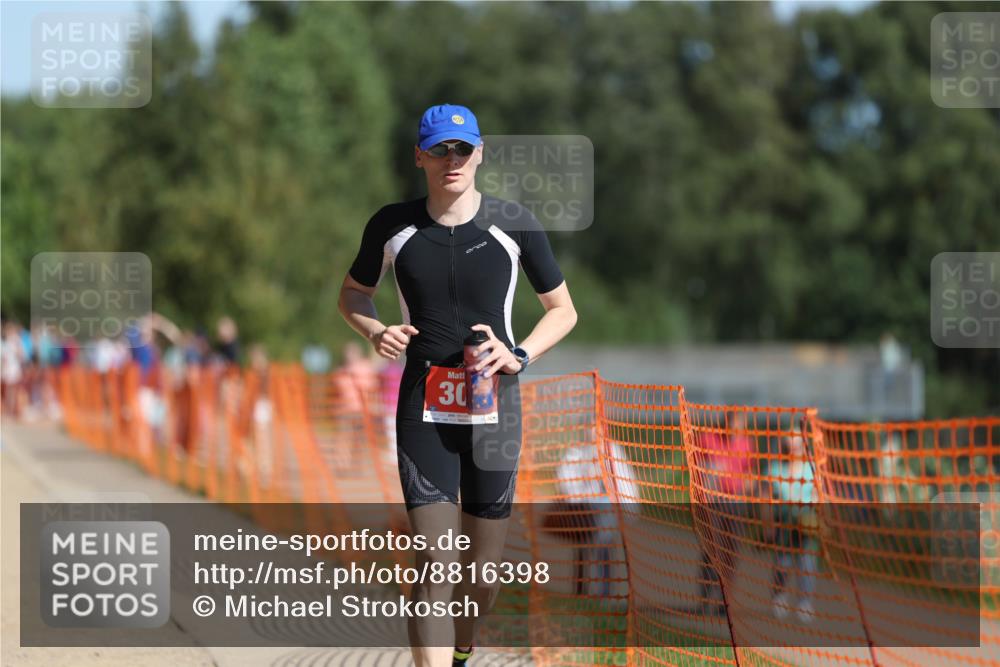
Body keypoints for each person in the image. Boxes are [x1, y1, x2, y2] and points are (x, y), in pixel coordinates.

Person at [338, 103, 577, 667]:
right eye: (440, 149)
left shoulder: (513, 223)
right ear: (419, 155)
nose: (452, 160)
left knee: (484, 577)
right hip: (424, 406)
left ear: (480, 154)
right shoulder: (391, 226)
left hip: (496, 408)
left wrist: (518, 354)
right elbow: (352, 293)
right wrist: (375, 332)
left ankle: (463, 651)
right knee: (434, 565)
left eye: (462, 149)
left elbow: (563, 310)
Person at [768, 435, 818, 623]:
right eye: (790, 447)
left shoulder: (810, 470)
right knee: (783, 562)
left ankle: (805, 602)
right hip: (784, 523)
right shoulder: (776, 469)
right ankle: (778, 596)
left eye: (797, 447)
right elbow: (768, 497)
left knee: (807, 563)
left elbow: (817, 494)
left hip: (805, 525)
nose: (793, 451)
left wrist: (816, 505)